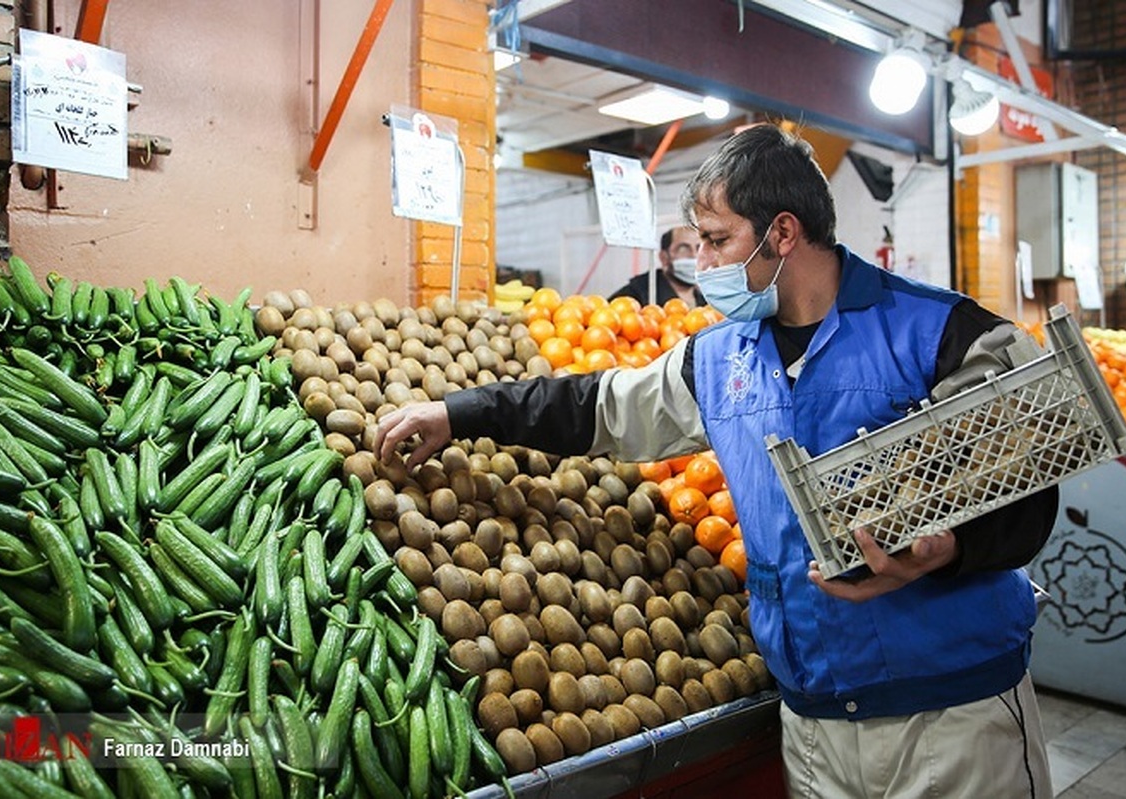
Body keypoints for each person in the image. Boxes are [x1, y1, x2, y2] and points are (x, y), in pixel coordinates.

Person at [376, 124, 1058, 798]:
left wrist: (949, 547)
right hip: (814, 722)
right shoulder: (722, 357)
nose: (701, 263)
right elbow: (600, 407)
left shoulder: (943, 334)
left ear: (782, 233)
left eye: (717, 240)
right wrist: (459, 412)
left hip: (949, 715)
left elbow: (1034, 491)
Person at [609, 226, 706, 308]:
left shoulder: (707, 301)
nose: (694, 255)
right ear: (664, 258)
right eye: (683, 249)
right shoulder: (636, 295)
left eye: (699, 248)